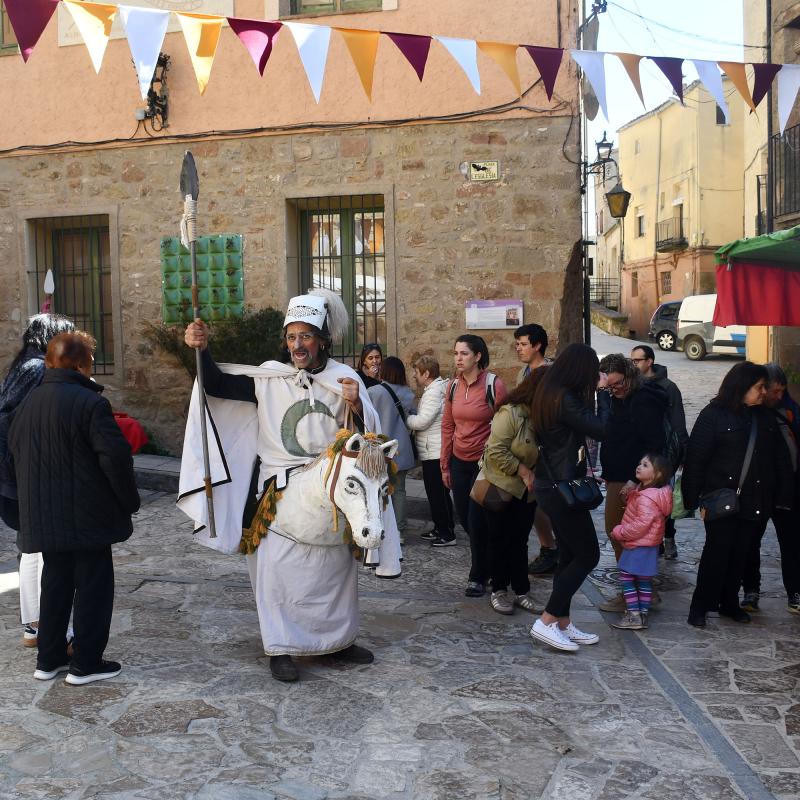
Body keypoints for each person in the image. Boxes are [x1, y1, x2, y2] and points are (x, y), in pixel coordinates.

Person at [179, 289, 400, 683]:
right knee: (277, 571)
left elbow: (366, 441)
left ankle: (337, 641)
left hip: (330, 492)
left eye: (306, 336)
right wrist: (202, 348)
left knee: (334, 572)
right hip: (277, 489)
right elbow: (216, 385)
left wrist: (356, 405)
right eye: (292, 337)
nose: (298, 345)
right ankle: (280, 646)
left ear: (323, 340)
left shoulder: (345, 379)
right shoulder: (269, 377)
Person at [9, 331, 140, 684]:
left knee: (55, 584)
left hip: (44, 516)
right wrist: (129, 500)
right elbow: (115, 458)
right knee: (93, 587)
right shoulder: (91, 404)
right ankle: (86, 663)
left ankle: (49, 659)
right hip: (87, 516)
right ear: (84, 365)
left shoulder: (28, 403)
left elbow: (13, 454)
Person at [682, 361, 793, 629]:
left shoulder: (765, 417)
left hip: (755, 501)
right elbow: (696, 459)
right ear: (742, 387)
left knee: (740, 555)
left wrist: (782, 496)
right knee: (716, 555)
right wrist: (692, 499)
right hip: (722, 500)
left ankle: (729, 603)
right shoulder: (713, 415)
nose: (763, 392)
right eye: (759, 387)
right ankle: (700, 606)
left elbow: (779, 460)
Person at [0, 313, 74, 650]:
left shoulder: (24, 366)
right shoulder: (37, 369)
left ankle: (34, 627)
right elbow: (25, 422)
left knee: (31, 548)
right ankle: (43, 626)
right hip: (25, 473)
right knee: (40, 552)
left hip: (16, 472)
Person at [529, 343, 609, 652]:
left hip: (552, 485)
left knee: (568, 555)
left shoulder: (550, 393)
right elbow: (602, 429)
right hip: (561, 488)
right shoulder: (565, 398)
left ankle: (562, 622)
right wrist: (603, 393)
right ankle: (547, 619)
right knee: (588, 555)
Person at [596, 353, 668, 612]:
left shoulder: (642, 401)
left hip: (630, 479)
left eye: (618, 384)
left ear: (630, 376)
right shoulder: (618, 398)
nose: (615, 389)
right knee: (625, 535)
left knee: (620, 533)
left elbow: (653, 443)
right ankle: (642, 591)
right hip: (618, 475)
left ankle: (632, 594)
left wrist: (633, 479)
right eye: (610, 386)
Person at [440, 334, 507, 593]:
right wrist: (445, 464)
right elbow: (448, 425)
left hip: (485, 464)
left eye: (464, 353)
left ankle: (478, 575)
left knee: (477, 520)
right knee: (466, 519)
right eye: (456, 353)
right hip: (459, 460)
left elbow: (506, 424)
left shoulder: (494, 385)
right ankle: (490, 562)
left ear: (478, 356)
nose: (458, 358)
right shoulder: (453, 386)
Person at [481, 367, 546, 616]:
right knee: (498, 539)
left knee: (520, 541)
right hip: (502, 487)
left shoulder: (544, 417)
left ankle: (521, 591)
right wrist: (523, 470)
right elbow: (495, 450)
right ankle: (498, 590)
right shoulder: (510, 413)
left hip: (527, 492)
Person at [739, 363, 800, 615]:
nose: (777, 395)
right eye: (773, 390)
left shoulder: (791, 412)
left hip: (789, 490)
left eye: (781, 391)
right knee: (751, 542)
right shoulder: (748, 414)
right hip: (758, 490)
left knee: (792, 543)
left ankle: (795, 592)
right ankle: (751, 591)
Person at [631, 344, 689, 560]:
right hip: (640, 450)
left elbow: (678, 421)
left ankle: (668, 536)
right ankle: (650, 541)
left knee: (663, 497)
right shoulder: (632, 385)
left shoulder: (668, 387)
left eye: (637, 360)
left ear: (649, 361)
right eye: (631, 361)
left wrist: (683, 452)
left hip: (664, 451)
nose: (634, 365)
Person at [513, 324, 558, 576]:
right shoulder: (523, 372)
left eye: (523, 344)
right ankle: (549, 547)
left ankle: (552, 548)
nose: (518, 349)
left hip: (547, 446)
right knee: (534, 499)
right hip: (527, 444)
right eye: (517, 344)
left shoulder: (551, 373)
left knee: (544, 500)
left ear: (537, 345)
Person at [609, 454, 673, 630]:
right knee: (644, 580)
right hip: (649, 545)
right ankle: (642, 615)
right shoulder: (655, 494)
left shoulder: (647, 498)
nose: (639, 466)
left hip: (638, 544)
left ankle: (633, 615)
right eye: (640, 463)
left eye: (645, 465)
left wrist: (620, 532)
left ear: (657, 474)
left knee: (627, 577)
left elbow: (641, 525)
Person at [367, 356, 416, 540]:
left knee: (377, 490)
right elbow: (413, 418)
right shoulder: (408, 393)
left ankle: (380, 526)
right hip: (401, 448)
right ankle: (400, 530)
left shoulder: (374, 392)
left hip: (379, 449)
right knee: (400, 490)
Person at [406, 355, 453, 543]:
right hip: (432, 449)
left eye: (417, 372)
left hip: (434, 451)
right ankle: (440, 527)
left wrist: (407, 418)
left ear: (426, 374)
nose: (415, 376)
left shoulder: (433, 393)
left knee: (437, 494)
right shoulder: (435, 390)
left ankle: (446, 534)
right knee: (436, 494)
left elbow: (422, 421)